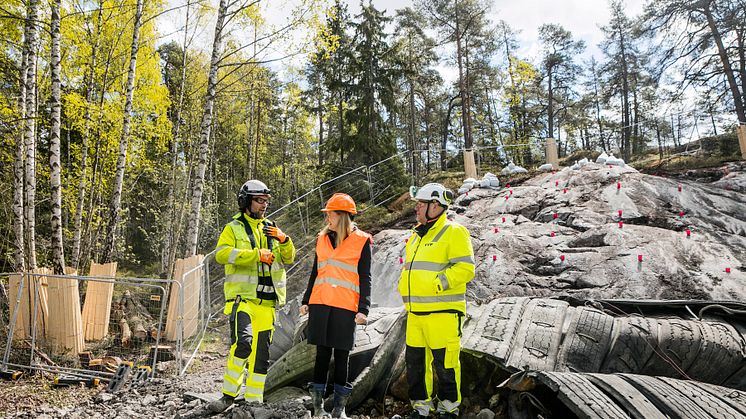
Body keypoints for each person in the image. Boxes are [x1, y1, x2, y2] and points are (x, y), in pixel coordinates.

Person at [208, 180, 296, 413]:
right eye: (259, 200)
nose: (264, 205)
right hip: (243, 300)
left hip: (268, 305)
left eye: (266, 201)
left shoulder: (272, 228)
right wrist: (255, 255)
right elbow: (221, 254)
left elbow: (288, 257)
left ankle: (254, 399)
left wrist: (284, 239)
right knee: (243, 344)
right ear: (246, 202)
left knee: (262, 353)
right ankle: (228, 395)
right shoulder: (233, 228)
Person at [398, 183, 475, 419]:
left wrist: (439, 282)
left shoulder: (454, 232)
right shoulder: (416, 236)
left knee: (446, 365)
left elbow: (466, 269)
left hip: (443, 312)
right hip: (415, 314)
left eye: (421, 204)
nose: (417, 209)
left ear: (436, 206)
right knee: (416, 366)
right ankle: (421, 409)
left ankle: (449, 409)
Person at [300, 193, 372, 419]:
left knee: (342, 357)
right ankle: (318, 408)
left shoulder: (362, 241)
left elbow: (365, 277)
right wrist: (306, 300)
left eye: (330, 214)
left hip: (345, 306)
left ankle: (339, 410)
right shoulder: (321, 239)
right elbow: (316, 272)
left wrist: (364, 308)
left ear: (342, 216)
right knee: (321, 355)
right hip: (320, 303)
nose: (327, 218)